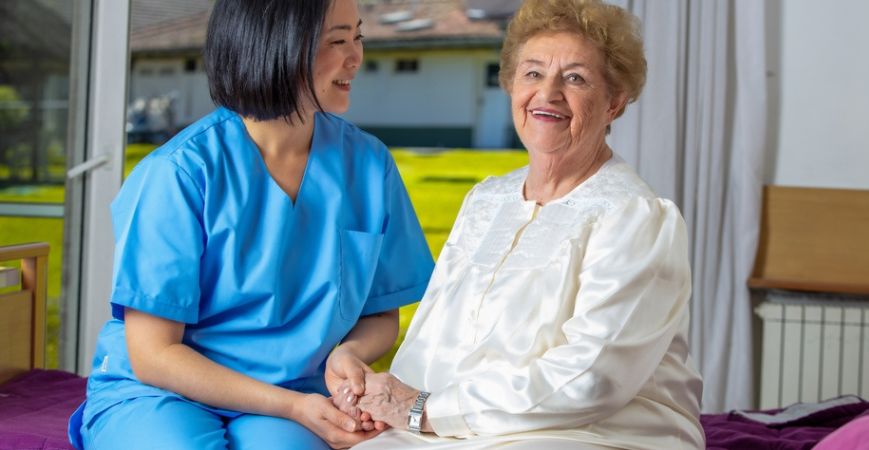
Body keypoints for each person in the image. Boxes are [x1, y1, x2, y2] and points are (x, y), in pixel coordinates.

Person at [332, 0, 705, 448]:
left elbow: (593, 379)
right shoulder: (487, 199)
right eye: (532, 73)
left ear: (614, 102)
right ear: (510, 85)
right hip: (452, 424)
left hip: (591, 431)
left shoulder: (636, 218)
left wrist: (425, 410)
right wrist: (387, 404)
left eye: (575, 78)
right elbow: (433, 335)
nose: (548, 93)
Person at [66, 0, 434, 448]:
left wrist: (349, 353)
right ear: (275, 46)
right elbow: (155, 354)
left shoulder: (370, 166)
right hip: (160, 392)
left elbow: (380, 313)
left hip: (295, 392)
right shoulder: (181, 173)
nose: (355, 56)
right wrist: (293, 407)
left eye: (357, 37)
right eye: (337, 40)